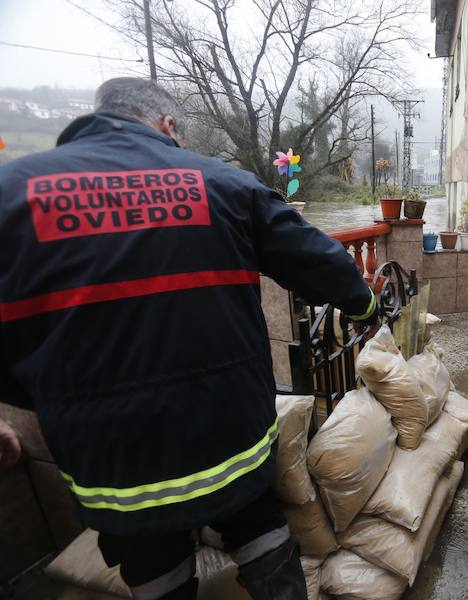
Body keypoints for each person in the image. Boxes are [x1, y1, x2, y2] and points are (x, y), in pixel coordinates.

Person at [0, 78, 380, 599]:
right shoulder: (224, 183)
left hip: (113, 465)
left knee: (154, 571)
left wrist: (56, 398)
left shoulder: (11, 194)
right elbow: (316, 257)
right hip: (228, 441)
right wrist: (363, 303)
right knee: (261, 534)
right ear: (168, 125)